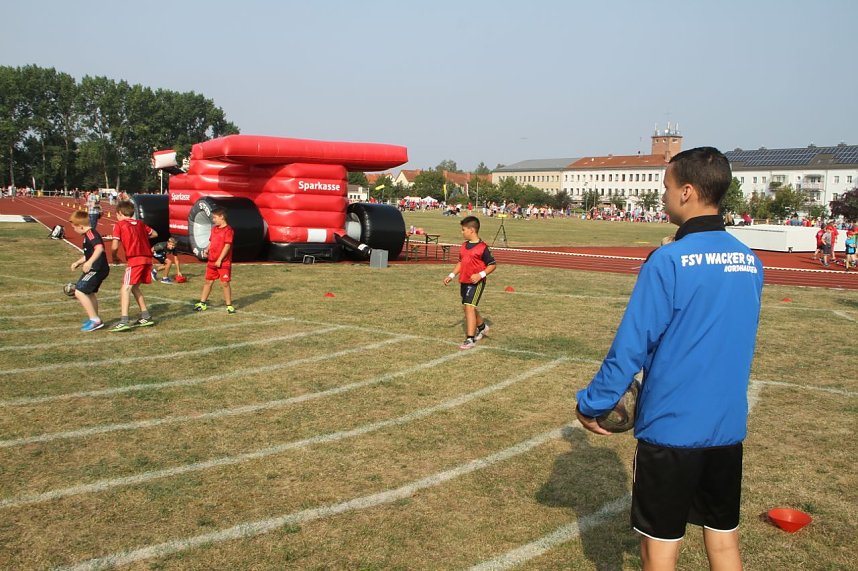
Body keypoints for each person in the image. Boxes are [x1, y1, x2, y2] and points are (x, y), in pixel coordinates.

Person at [575, 147, 764, 571]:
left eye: (667, 188)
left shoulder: (668, 261)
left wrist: (592, 404)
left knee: (659, 548)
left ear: (688, 192)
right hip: (726, 427)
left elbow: (630, 346)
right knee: (724, 542)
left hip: (672, 429)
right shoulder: (750, 261)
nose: (662, 197)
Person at [442, 215, 496, 350]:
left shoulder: (483, 247)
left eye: (463, 229)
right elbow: (461, 262)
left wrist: (480, 275)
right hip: (464, 281)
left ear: (472, 230)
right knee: (467, 307)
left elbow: (492, 264)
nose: (462, 232)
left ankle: (470, 339)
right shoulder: (464, 246)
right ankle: (482, 327)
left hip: (476, 283)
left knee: (469, 307)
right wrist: (452, 275)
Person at [110, 200, 158, 331]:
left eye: (117, 214)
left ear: (120, 213)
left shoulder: (119, 225)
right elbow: (154, 233)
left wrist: (114, 256)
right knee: (135, 287)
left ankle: (124, 320)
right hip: (147, 259)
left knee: (125, 288)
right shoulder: (141, 224)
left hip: (135, 259)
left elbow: (114, 246)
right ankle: (146, 315)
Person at [68, 210, 110, 331]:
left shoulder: (91, 234)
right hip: (97, 268)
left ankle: (95, 320)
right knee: (89, 292)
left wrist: (90, 262)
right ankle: (95, 318)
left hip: (97, 268)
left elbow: (99, 248)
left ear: (80, 226)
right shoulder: (87, 235)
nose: (74, 230)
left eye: (74, 227)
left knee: (79, 291)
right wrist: (78, 262)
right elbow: (90, 253)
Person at [194, 207, 235, 313]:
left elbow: (227, 246)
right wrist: (207, 249)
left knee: (225, 283)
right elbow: (211, 241)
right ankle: (202, 303)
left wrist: (220, 260)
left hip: (223, 262)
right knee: (208, 282)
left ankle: (229, 305)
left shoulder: (228, 230)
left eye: (215, 217)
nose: (213, 220)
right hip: (212, 260)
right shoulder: (214, 229)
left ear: (222, 217)